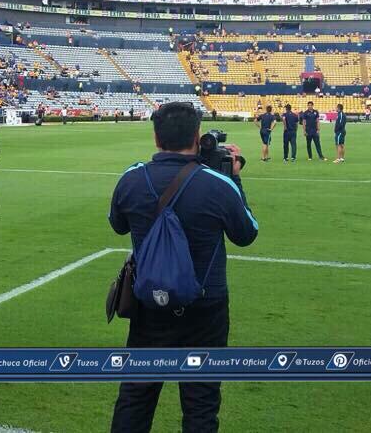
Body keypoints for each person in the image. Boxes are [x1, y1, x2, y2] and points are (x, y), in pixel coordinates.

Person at [108, 102, 259, 433]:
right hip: (206, 305)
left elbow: (117, 225)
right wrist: (234, 178)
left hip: (149, 302)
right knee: (201, 401)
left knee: (136, 395)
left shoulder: (132, 178)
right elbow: (246, 233)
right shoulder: (218, 184)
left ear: (155, 137)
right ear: (197, 135)